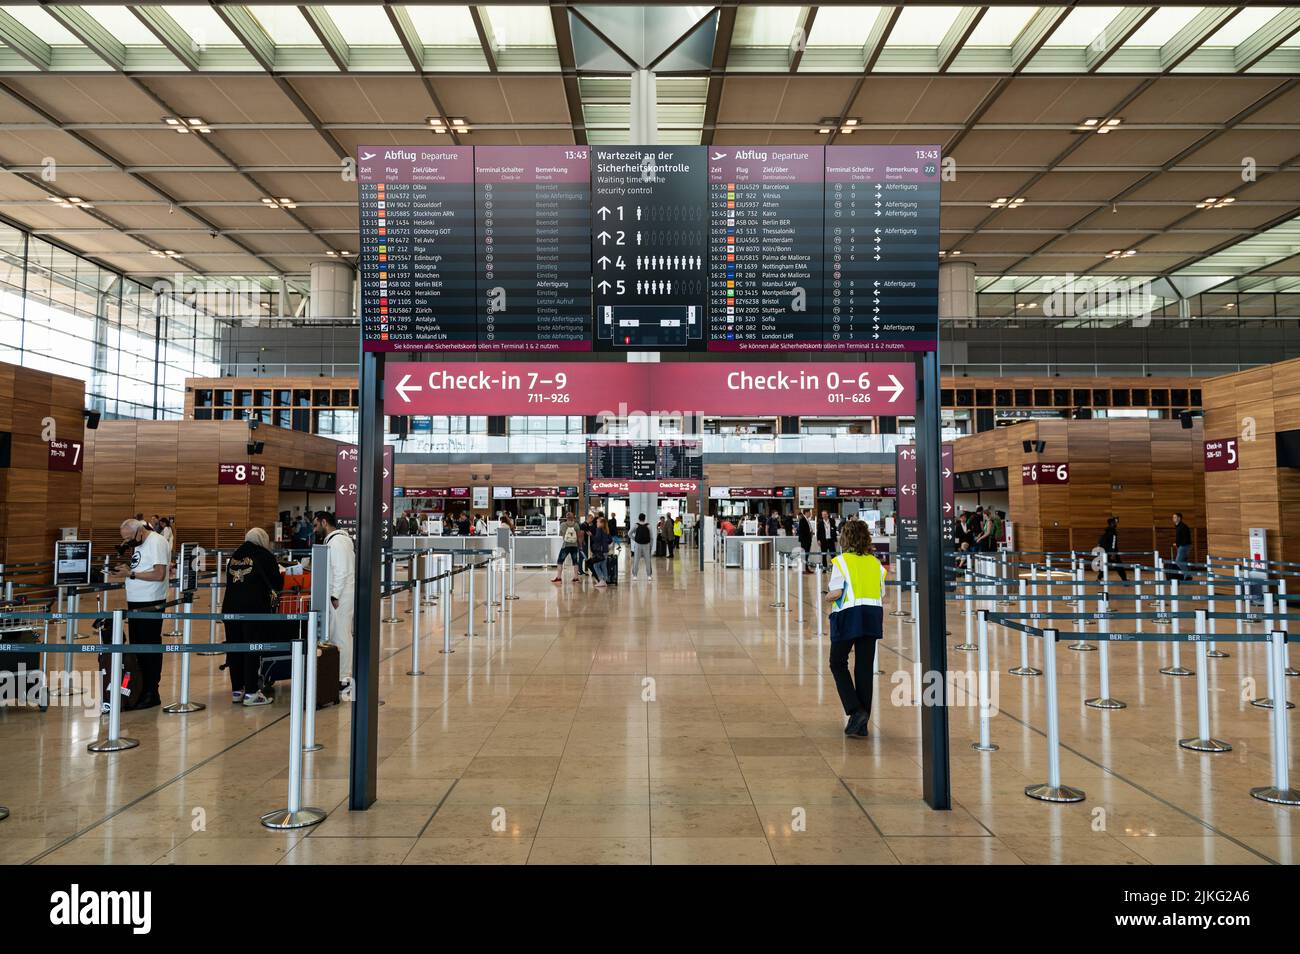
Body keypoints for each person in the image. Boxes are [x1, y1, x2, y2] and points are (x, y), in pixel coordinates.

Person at [825, 519, 887, 739]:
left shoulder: (841, 562)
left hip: (848, 616)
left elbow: (836, 592)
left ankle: (855, 709)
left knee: (838, 662)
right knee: (863, 668)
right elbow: (881, 593)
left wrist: (825, 597)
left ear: (846, 538)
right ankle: (861, 724)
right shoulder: (875, 563)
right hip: (872, 616)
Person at [111, 518, 171, 709]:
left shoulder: (157, 542)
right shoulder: (139, 543)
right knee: (137, 648)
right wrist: (127, 571)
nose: (128, 543)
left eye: (129, 538)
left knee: (149, 649)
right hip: (136, 601)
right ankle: (139, 688)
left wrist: (131, 574)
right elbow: (140, 568)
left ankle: (152, 692)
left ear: (140, 531)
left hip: (151, 602)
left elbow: (159, 574)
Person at [222, 527, 282, 706]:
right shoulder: (265, 556)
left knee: (235, 649)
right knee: (251, 649)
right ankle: (251, 692)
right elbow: (277, 583)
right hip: (253, 608)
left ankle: (237, 690)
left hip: (230, 608)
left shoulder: (234, 556)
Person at [314, 511, 356, 700]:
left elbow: (342, 571)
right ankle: (339, 675)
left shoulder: (338, 542)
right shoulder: (336, 541)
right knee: (336, 634)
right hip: (338, 596)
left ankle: (345, 678)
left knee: (341, 634)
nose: (315, 529)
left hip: (340, 597)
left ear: (324, 522)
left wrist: (335, 595)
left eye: (316, 525)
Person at [1095, 516, 1128, 583]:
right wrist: (1113, 553)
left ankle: (1099, 579)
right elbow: (1113, 542)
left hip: (1105, 553)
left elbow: (1099, 543)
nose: (1116, 524)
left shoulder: (1106, 532)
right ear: (1112, 523)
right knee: (1119, 566)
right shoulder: (1113, 532)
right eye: (1115, 523)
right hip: (1112, 553)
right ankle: (1124, 580)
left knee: (1105, 566)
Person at [553, 513, 583, 584]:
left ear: (566, 517)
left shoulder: (563, 524)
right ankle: (576, 578)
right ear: (573, 517)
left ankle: (559, 578)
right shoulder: (576, 525)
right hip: (574, 546)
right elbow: (579, 536)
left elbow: (561, 534)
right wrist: (580, 545)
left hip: (565, 546)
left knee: (560, 561)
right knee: (575, 562)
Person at [588, 516, 612, 587]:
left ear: (601, 523)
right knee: (603, 565)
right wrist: (604, 543)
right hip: (605, 550)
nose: (596, 523)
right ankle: (605, 580)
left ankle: (601, 580)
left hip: (600, 551)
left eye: (597, 522)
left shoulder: (599, 529)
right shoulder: (606, 529)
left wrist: (591, 535)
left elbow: (597, 539)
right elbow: (610, 540)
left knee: (596, 565)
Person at [630, 513, 654, 581]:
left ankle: (635, 576)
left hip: (638, 545)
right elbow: (651, 537)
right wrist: (651, 546)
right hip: (647, 545)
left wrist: (635, 539)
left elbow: (629, 533)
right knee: (648, 561)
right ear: (645, 518)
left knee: (636, 560)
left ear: (639, 518)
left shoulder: (636, 525)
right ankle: (649, 576)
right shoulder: (649, 526)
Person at [797, 508, 814, 573]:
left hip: (808, 540)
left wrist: (811, 532)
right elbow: (802, 531)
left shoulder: (807, 520)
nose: (810, 514)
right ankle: (803, 569)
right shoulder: (802, 520)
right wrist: (809, 533)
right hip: (804, 541)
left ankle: (806, 568)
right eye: (809, 512)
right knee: (804, 555)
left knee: (806, 555)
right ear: (806, 513)